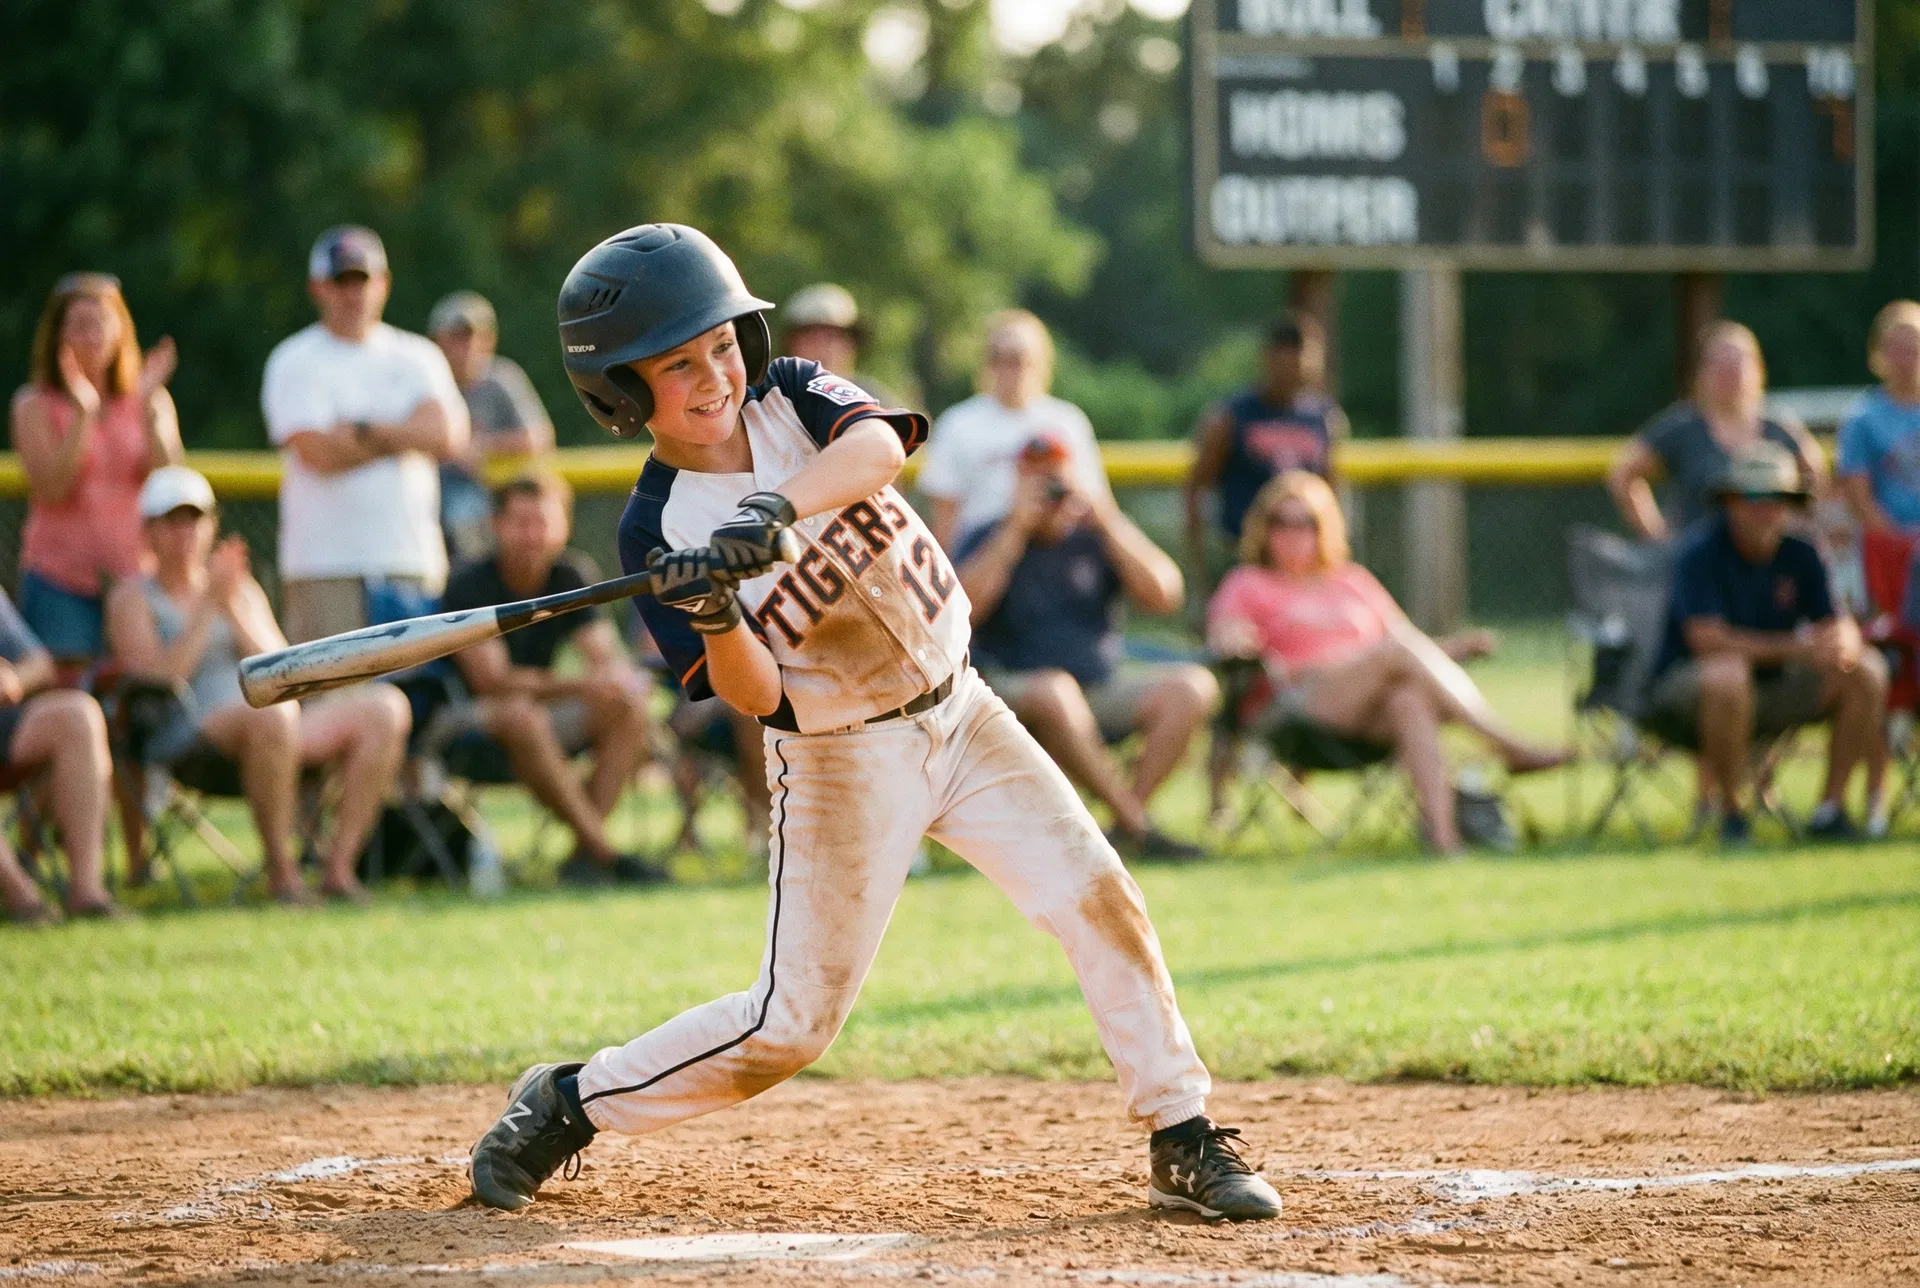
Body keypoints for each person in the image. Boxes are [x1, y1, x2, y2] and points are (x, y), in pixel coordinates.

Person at [468, 223, 1282, 1222]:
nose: (713, 373)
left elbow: (877, 447)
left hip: (964, 707)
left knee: (1097, 891)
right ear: (622, 393)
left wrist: (773, 506)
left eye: (721, 344)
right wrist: (715, 611)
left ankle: (1181, 1131)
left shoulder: (791, 395)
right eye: (677, 365)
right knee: (791, 1027)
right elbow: (757, 694)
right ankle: (569, 1101)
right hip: (841, 760)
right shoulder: (657, 528)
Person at [1207, 472, 1569, 856]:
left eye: (1306, 522)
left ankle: (1445, 841)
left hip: (1370, 710)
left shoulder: (1352, 581)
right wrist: (1234, 638)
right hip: (1296, 706)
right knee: (1393, 653)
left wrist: (1453, 647)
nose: (1293, 533)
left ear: (1325, 526)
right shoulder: (1248, 583)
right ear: (1263, 529)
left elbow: (1410, 646)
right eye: (1280, 522)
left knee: (1408, 701)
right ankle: (1507, 745)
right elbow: (1226, 637)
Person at [105, 466, 411, 903]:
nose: (185, 532)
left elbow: (287, 670)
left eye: (195, 519)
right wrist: (208, 608)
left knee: (386, 707)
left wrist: (231, 608)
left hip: (277, 725)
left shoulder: (239, 590)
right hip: (192, 732)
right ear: (148, 531)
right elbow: (159, 677)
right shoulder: (131, 597)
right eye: (171, 521)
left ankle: (338, 871)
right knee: (271, 718)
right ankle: (283, 876)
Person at [956, 436, 1212, 861]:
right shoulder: (988, 534)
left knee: (1193, 687)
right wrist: (1014, 532)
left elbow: (1167, 595)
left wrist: (1110, 521)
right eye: (1037, 478)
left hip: (1097, 687)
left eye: (1056, 478)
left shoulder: (1097, 535)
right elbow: (958, 615)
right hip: (1012, 693)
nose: (1049, 491)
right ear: (1018, 481)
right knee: (1055, 690)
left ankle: (1120, 826)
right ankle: (1136, 829)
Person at [1644, 445, 1886, 844]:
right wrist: (1799, 648)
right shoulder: (1700, 553)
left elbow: (1837, 623)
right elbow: (1708, 641)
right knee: (1728, 673)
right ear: (1731, 502)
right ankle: (1731, 814)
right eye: (1753, 497)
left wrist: (1842, 641)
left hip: (1773, 689)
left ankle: (1830, 811)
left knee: (1867, 670)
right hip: (1687, 697)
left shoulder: (1803, 552)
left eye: (1778, 498)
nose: (1766, 509)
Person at [433, 472, 663, 887]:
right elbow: (493, 682)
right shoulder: (469, 583)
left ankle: (582, 858)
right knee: (521, 715)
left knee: (627, 706)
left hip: (536, 716)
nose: (533, 535)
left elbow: (605, 656)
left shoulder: (569, 574)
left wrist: (618, 681)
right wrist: (584, 685)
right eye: (522, 523)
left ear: (564, 525)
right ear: (496, 525)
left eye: (544, 522)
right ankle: (606, 854)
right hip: (463, 719)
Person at [262, 225, 470, 644]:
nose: (354, 293)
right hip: (324, 567)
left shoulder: (417, 355)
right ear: (318, 287)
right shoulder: (294, 359)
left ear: (384, 284)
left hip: (410, 561)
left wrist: (363, 431)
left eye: (363, 280)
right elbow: (317, 453)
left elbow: (447, 435)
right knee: (332, 700)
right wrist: (406, 436)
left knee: (416, 697)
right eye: (342, 281)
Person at [9, 272, 184, 664]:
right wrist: (84, 413)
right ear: (57, 335)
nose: (92, 336)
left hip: (135, 582)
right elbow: (52, 489)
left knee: (141, 696)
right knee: (67, 697)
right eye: (79, 326)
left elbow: (172, 485)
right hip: (60, 581)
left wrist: (152, 410)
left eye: (101, 323)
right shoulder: (33, 404)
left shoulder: (146, 398)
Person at [1609, 321, 1826, 542]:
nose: (1730, 372)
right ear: (1701, 372)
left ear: (1758, 369)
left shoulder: (1779, 426)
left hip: (1765, 563)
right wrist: (1658, 535)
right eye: (1720, 363)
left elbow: (1816, 473)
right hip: (1700, 565)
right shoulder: (1682, 427)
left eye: (1738, 362)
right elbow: (1624, 474)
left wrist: (1798, 525)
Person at [917, 309, 1112, 551]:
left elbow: (1097, 507)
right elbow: (945, 524)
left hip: (1055, 546)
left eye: (1020, 357)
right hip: (979, 552)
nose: (1011, 368)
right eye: (1000, 357)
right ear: (987, 363)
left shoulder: (1067, 421)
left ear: (1042, 361)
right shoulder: (958, 423)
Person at [1184, 312, 1346, 591]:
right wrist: (1200, 571)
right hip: (1242, 553)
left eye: (1306, 357)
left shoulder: (1325, 418)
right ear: (1270, 357)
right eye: (1290, 357)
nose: (1299, 367)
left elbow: (1329, 494)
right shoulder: (1231, 416)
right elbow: (1196, 490)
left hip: (1303, 559)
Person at [0, 588, 120, 923]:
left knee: (78, 713)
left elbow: (40, 664)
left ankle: (87, 892)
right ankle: (21, 897)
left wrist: (12, 679)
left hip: (6, 728)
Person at [428, 290, 557, 563]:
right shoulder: (426, 381)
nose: (467, 346)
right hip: (429, 502)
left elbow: (540, 437)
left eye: (474, 336)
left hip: (492, 501)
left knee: (468, 509)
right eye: (457, 337)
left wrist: (483, 447)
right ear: (438, 341)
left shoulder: (501, 378)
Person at [1836, 299, 1920, 534]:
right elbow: (1858, 496)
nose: (1907, 359)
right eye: (1898, 349)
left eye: (1914, 347)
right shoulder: (1862, 419)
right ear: (1879, 353)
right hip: (1887, 547)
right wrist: (1902, 541)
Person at [778, 283, 902, 408]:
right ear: (790, 344)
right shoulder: (772, 402)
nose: (822, 348)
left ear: (852, 345)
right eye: (811, 338)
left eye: (832, 338)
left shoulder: (876, 403)